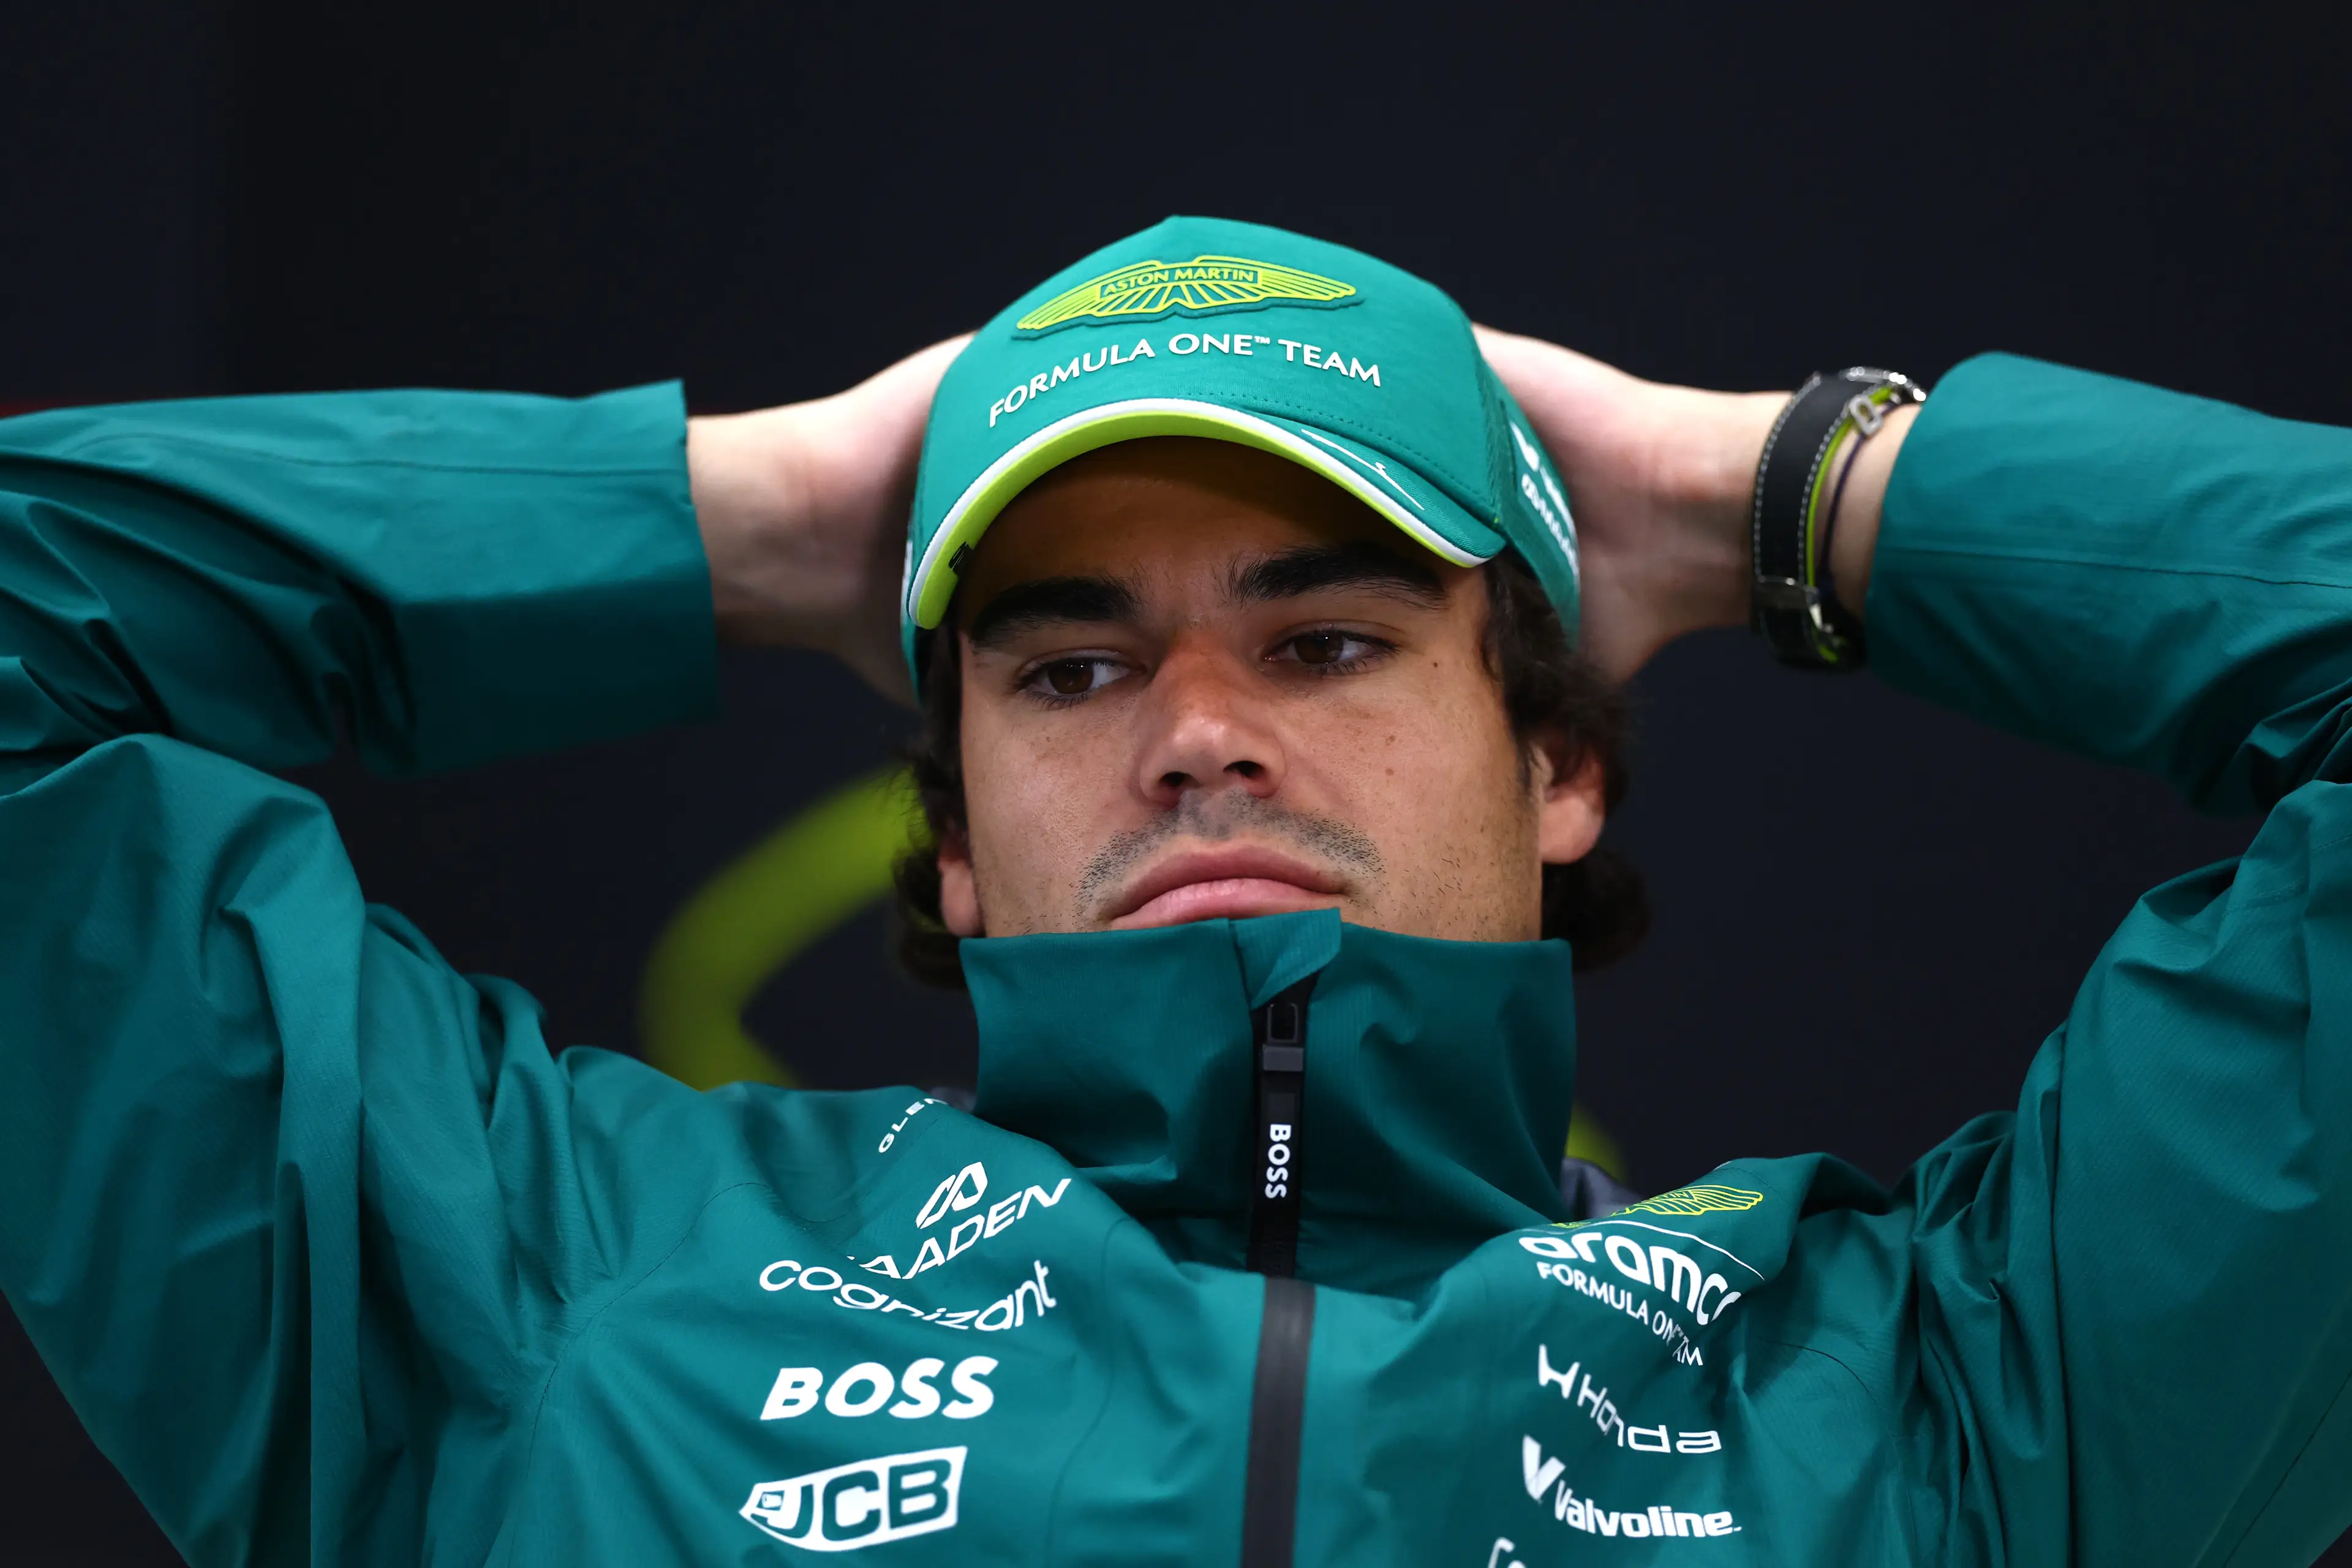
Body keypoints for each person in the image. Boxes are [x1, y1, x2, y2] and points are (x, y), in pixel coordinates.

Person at [0, 215, 2345, 1566]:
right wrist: (739, 514)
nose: (1201, 730)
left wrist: (1782, 487)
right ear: (949, 838)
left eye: (1326, 641)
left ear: (1559, 766)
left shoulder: (1941, 1403)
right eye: (1071, 664)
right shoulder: (549, 1291)